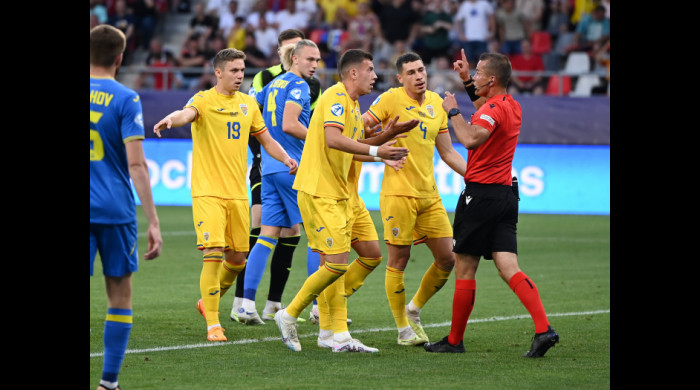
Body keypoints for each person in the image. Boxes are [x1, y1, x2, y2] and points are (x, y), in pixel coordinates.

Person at [152, 48, 299, 342]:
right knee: (213, 254)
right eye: (234, 70)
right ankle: (214, 325)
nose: (240, 75)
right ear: (218, 72)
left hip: (236, 193)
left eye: (242, 70)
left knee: (237, 258)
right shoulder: (204, 100)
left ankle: (207, 301)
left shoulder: (248, 104)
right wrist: (172, 119)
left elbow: (266, 139)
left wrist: (285, 158)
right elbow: (186, 113)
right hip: (208, 193)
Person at [422, 48, 559, 357]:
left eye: (480, 73)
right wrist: (467, 82)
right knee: (508, 265)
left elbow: (470, 138)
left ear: (493, 79)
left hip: (481, 196)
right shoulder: (511, 106)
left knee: (465, 267)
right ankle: (543, 329)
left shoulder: (489, 112)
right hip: (507, 196)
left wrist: (453, 110)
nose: (475, 76)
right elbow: (485, 107)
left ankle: (454, 341)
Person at [274, 49, 412, 353]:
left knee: (371, 254)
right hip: (321, 191)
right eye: (371, 70)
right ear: (353, 73)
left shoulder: (352, 104)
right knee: (335, 264)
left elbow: (355, 146)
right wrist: (379, 152)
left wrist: (385, 140)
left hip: (346, 194)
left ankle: (329, 331)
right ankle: (294, 315)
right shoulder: (336, 97)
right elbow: (333, 140)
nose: (375, 76)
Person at [362, 51, 467, 346]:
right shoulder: (390, 99)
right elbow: (360, 126)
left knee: (448, 258)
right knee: (399, 258)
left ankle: (414, 309)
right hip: (398, 194)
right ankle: (402, 329)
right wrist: (381, 141)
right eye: (411, 72)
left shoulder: (436, 104)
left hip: (429, 195)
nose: (419, 76)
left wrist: (474, 174)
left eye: (421, 70)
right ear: (399, 78)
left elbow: (447, 152)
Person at [230, 28, 323, 324]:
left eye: (318, 60)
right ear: (294, 59)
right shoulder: (298, 86)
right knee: (318, 235)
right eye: (310, 59)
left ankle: (245, 303)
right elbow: (291, 124)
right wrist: (320, 142)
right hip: (292, 166)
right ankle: (320, 306)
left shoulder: (273, 85)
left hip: (269, 167)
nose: (315, 65)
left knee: (268, 234)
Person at [90, 24, 163, 390]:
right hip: (115, 211)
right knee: (119, 295)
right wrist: (153, 220)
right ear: (120, 57)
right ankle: (108, 382)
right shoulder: (125, 98)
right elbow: (137, 165)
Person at [454, 0, 495, 69]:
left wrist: (492, 32)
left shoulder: (484, 3)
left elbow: (492, 16)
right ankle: (471, 79)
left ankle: (481, 79)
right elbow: (458, 20)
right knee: (470, 62)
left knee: (482, 62)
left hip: (482, 38)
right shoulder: (465, 5)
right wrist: (461, 34)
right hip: (469, 38)